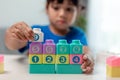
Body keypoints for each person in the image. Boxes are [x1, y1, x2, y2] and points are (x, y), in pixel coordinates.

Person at [5, 0, 94, 74]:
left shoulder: (78, 34)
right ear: (47, 9)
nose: (62, 14)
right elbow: (13, 45)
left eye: (69, 9)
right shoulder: (35, 31)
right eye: (56, 8)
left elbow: (86, 51)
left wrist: (88, 58)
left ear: (77, 12)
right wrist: (13, 34)